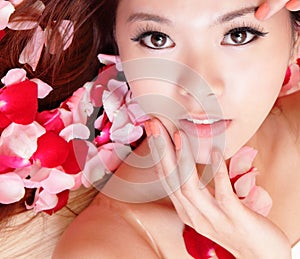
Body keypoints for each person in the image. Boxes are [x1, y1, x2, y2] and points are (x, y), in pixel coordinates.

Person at [1, 0, 300, 258]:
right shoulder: (109, 249)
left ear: (295, 40)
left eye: (238, 34)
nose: (199, 86)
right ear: (120, 47)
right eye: (157, 39)